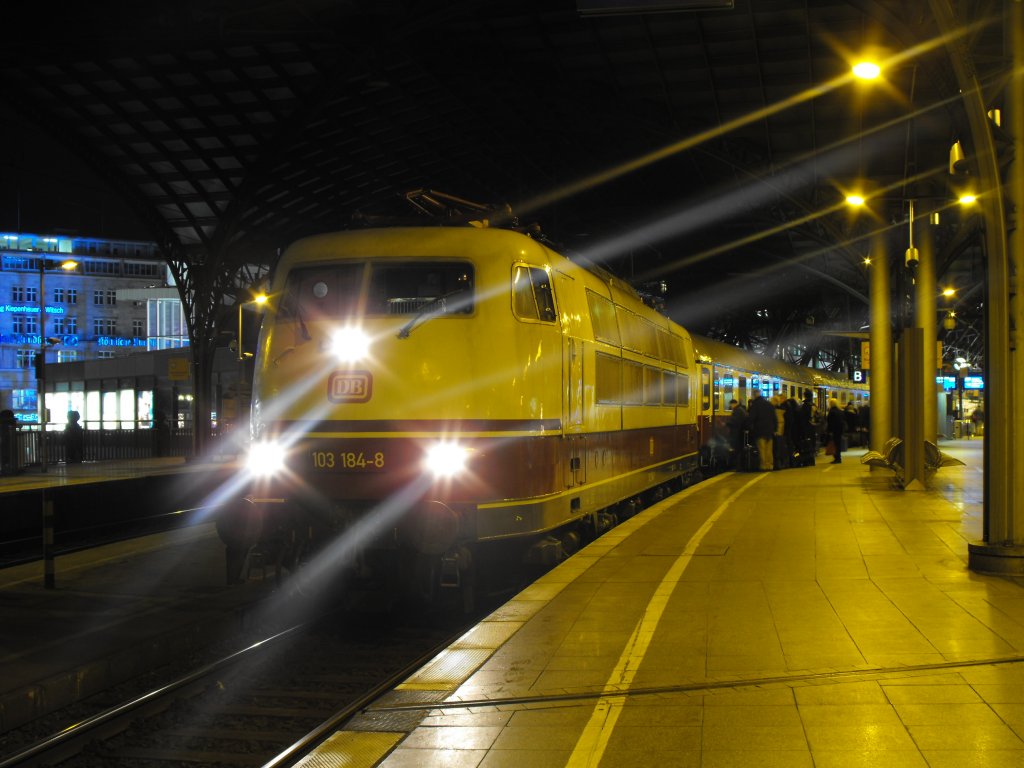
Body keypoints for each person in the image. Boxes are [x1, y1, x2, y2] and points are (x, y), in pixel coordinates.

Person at [748, 389, 776, 471]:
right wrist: (775, 429)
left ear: (754, 395)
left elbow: (752, 418)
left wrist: (749, 427)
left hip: (760, 431)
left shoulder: (755, 405)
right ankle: (770, 465)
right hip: (770, 431)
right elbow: (774, 417)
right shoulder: (769, 404)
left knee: (762, 449)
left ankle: (763, 466)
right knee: (769, 450)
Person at [726, 398, 748, 463]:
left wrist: (727, 423)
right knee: (738, 448)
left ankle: (737, 464)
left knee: (736, 448)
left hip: (737, 432)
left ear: (734, 404)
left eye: (731, 405)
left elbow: (735, 421)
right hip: (740, 432)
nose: (731, 406)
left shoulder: (737, 411)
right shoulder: (740, 409)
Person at [826, 398, 845, 464]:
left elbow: (830, 422)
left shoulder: (831, 411)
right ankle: (838, 457)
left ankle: (837, 458)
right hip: (839, 430)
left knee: (834, 444)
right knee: (838, 444)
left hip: (834, 430)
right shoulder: (840, 411)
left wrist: (829, 431)